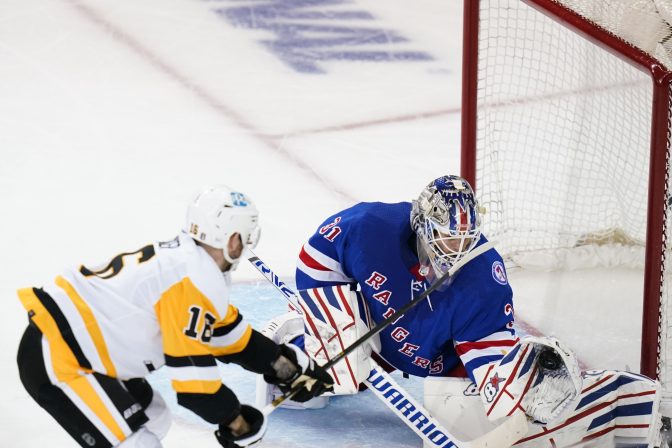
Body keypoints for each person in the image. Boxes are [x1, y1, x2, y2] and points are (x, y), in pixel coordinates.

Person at [260, 175, 665, 447]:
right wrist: (335, 320)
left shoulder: (484, 279)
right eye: (446, 239)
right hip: (365, 326)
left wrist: (507, 387)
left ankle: (623, 403)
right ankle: (294, 345)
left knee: (515, 403)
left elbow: (488, 350)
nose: (456, 252)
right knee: (329, 380)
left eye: (464, 240)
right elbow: (317, 257)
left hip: (437, 358)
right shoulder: (372, 226)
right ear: (421, 225)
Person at [16, 185, 334, 448]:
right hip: (62, 359)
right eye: (245, 235)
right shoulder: (193, 280)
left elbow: (229, 337)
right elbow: (195, 386)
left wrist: (285, 367)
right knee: (137, 444)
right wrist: (236, 422)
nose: (246, 244)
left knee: (154, 415)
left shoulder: (193, 266)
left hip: (82, 351)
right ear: (232, 238)